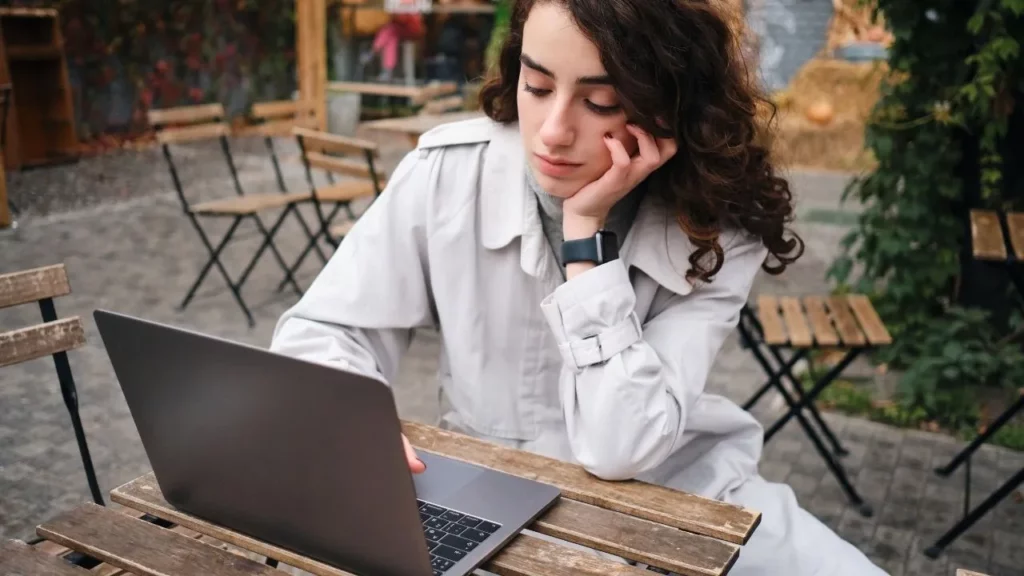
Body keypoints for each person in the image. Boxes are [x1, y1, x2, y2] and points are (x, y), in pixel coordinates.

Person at [270, 0, 886, 574]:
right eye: (536, 86)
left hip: (682, 497)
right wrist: (356, 424)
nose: (552, 131)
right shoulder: (448, 174)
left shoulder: (720, 226)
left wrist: (585, 239)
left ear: (666, 108)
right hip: (486, 493)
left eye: (601, 101)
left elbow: (622, 446)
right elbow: (324, 330)